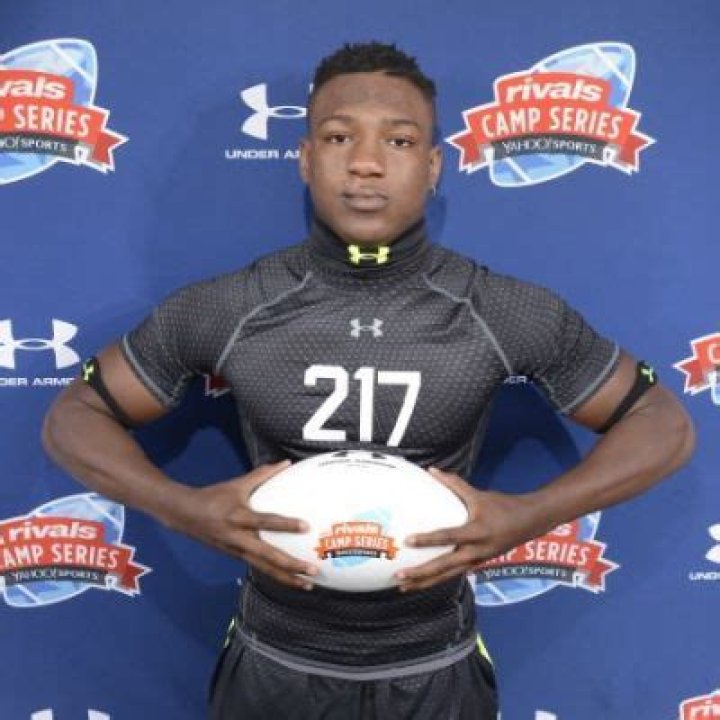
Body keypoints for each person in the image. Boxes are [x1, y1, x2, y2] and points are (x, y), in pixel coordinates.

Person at [42, 42, 694, 720]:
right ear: (304, 158)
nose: (366, 162)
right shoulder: (231, 306)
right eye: (338, 136)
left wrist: (527, 516)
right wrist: (183, 507)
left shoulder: (499, 309)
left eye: (400, 140)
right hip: (276, 663)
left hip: (434, 668)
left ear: (433, 166)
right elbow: (74, 415)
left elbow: (664, 426)